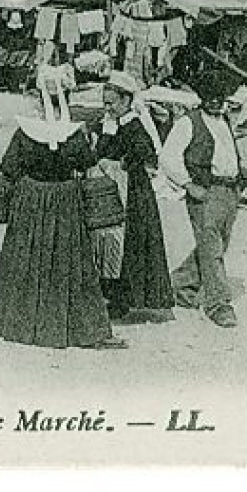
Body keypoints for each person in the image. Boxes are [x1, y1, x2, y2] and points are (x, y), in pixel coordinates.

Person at [0, 67, 124, 350]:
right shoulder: (72, 134)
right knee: (71, 263)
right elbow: (88, 164)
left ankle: (21, 323)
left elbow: (8, 168)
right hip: (65, 202)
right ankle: (71, 326)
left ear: (38, 98)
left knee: (25, 259)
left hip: (30, 200)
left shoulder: (25, 132)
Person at [164, 73, 247, 328]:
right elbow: (168, 158)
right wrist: (189, 185)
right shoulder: (188, 123)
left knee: (216, 246)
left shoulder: (224, 121)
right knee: (212, 249)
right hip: (206, 191)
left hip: (229, 191)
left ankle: (179, 285)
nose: (214, 102)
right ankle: (218, 304)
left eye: (219, 98)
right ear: (201, 97)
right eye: (209, 97)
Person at [95, 71, 173, 321]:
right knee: (109, 243)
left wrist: (125, 162)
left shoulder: (134, 125)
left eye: (112, 103)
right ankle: (108, 294)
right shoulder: (108, 124)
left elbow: (146, 152)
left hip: (133, 192)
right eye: (105, 103)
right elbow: (99, 152)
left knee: (130, 244)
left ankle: (124, 300)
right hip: (111, 189)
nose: (108, 108)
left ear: (127, 101)